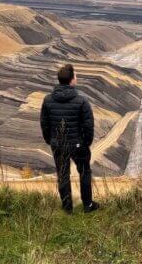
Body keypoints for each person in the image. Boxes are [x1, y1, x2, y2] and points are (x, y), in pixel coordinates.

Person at [40, 64, 98, 213]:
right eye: (76, 76)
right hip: (78, 145)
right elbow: (88, 125)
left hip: (58, 144)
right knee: (84, 172)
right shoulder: (81, 101)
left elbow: (44, 124)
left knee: (63, 175)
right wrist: (86, 143)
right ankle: (88, 205)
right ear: (72, 80)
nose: (76, 78)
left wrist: (51, 140)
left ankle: (67, 209)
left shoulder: (47, 100)